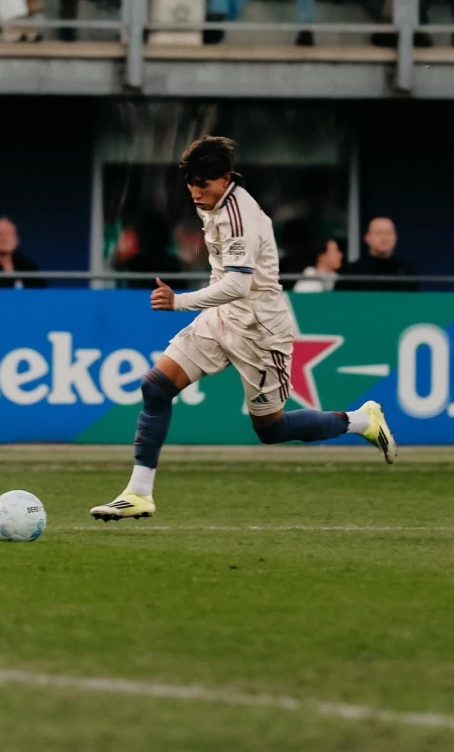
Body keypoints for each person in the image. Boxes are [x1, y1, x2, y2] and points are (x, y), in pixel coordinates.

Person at [89, 135, 397, 521]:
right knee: (156, 387)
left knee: (270, 429)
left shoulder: (239, 216)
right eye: (191, 184)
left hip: (260, 330)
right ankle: (138, 493)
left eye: (203, 184)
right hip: (222, 317)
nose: (195, 193)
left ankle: (360, 421)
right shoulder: (213, 202)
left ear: (225, 179)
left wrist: (179, 302)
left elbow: (237, 284)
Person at [341, 215, 416, 290]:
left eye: (389, 233)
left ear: (395, 237)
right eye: (379, 233)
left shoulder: (406, 271)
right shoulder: (353, 272)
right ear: (367, 238)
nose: (384, 238)